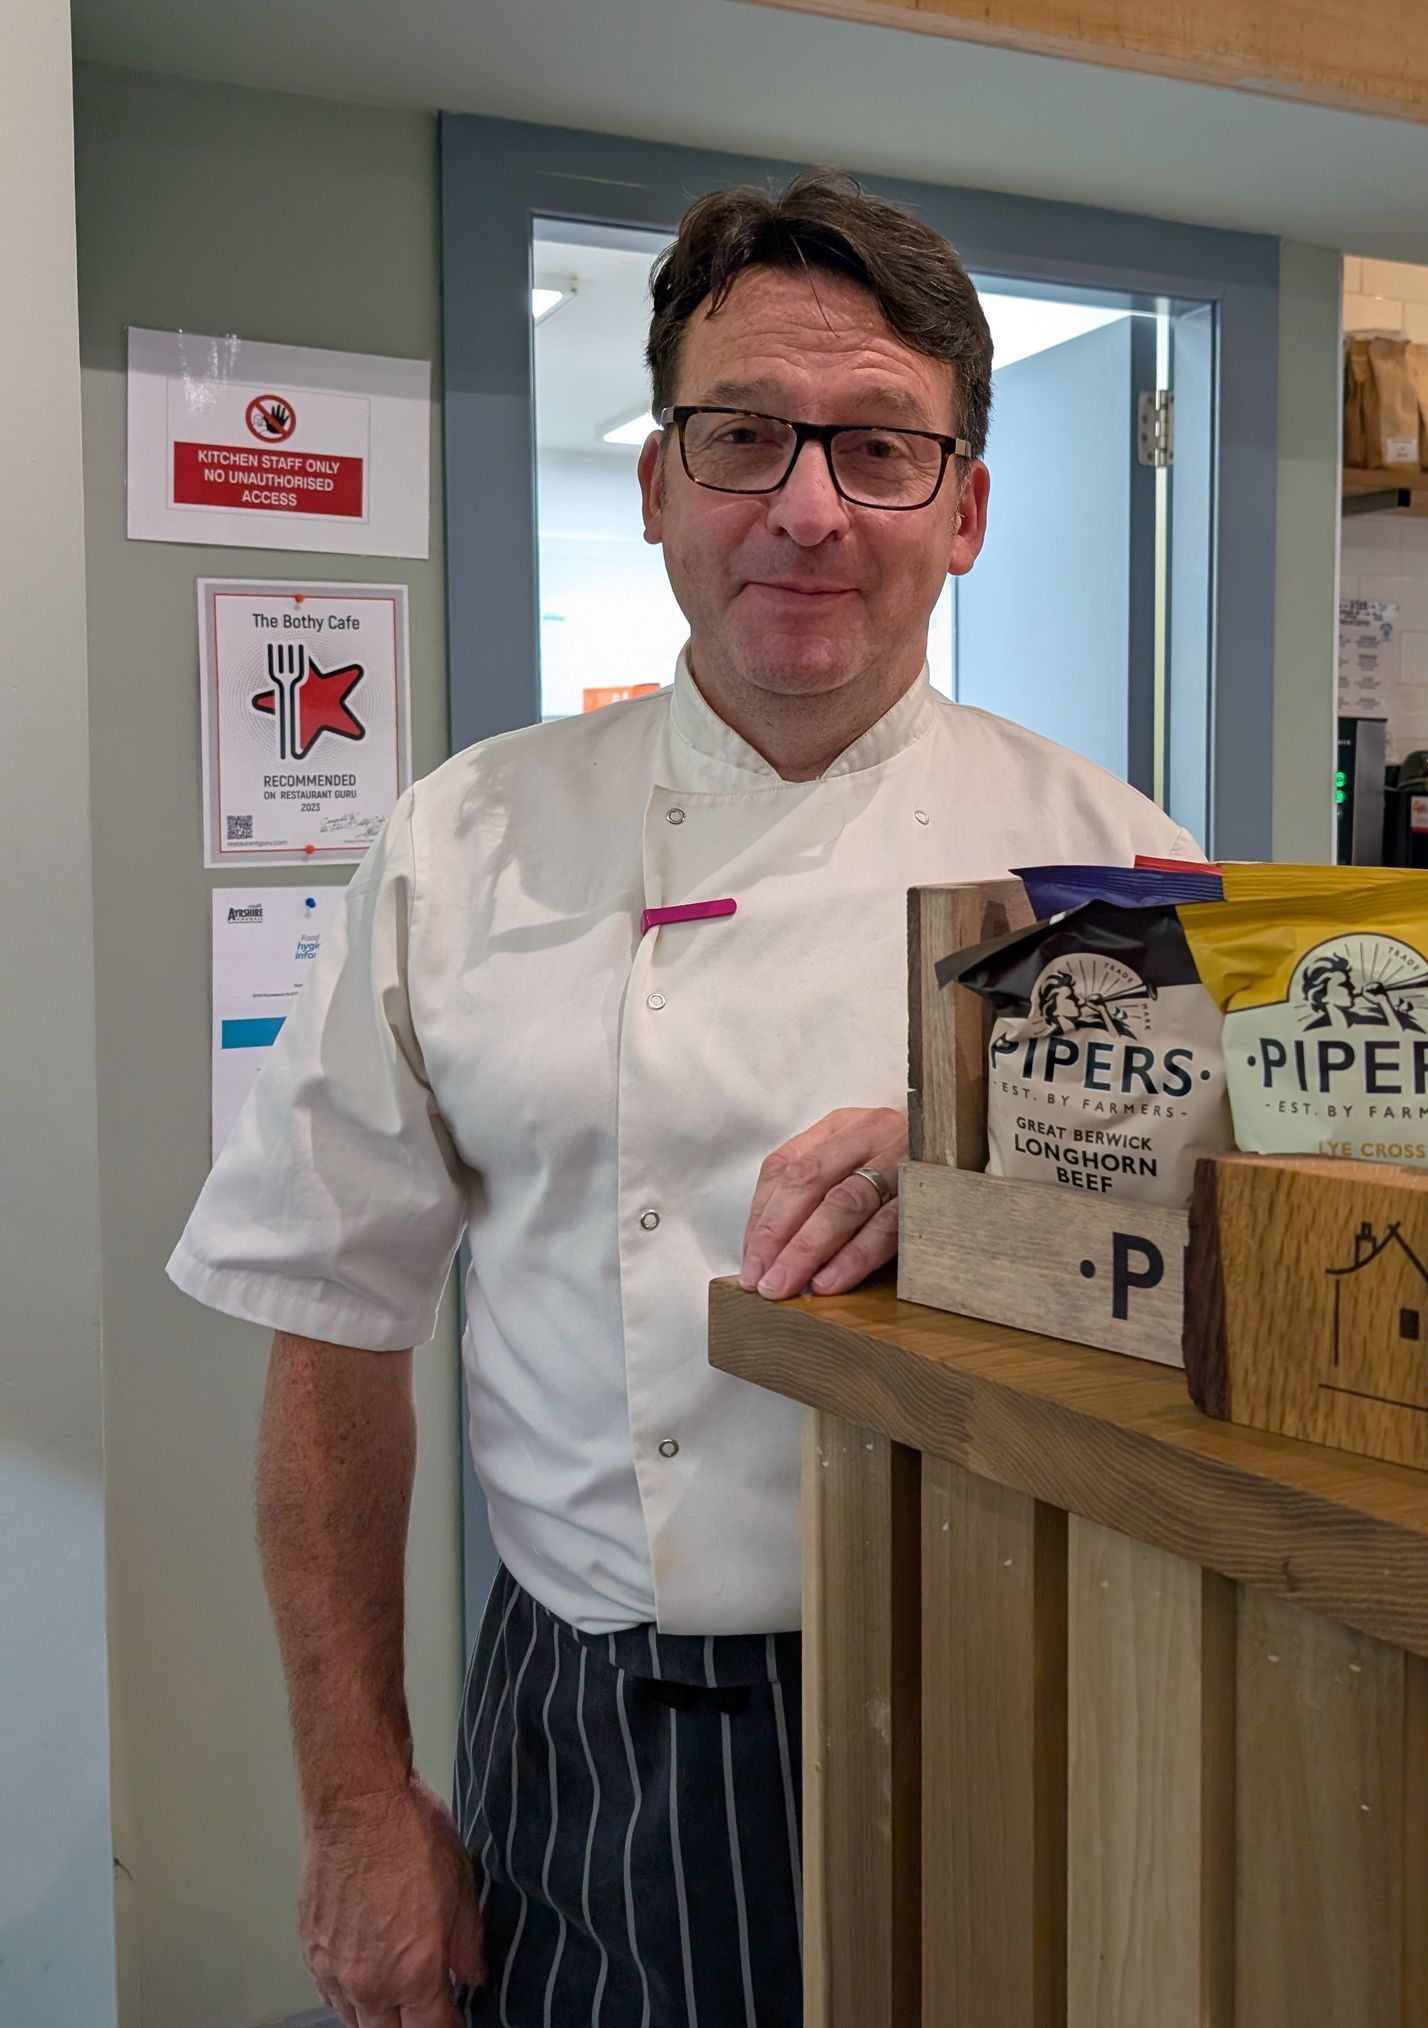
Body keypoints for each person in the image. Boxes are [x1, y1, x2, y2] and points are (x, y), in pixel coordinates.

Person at [169, 169, 1198, 2028]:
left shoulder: (1114, 874)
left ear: (964, 511)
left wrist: (991, 1170)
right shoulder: (461, 842)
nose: (807, 509)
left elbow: (1224, 1305)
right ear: (659, 485)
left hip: (1022, 1695)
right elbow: (330, 1327)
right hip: (597, 1730)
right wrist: (352, 1802)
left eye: (879, 448)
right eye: (743, 439)